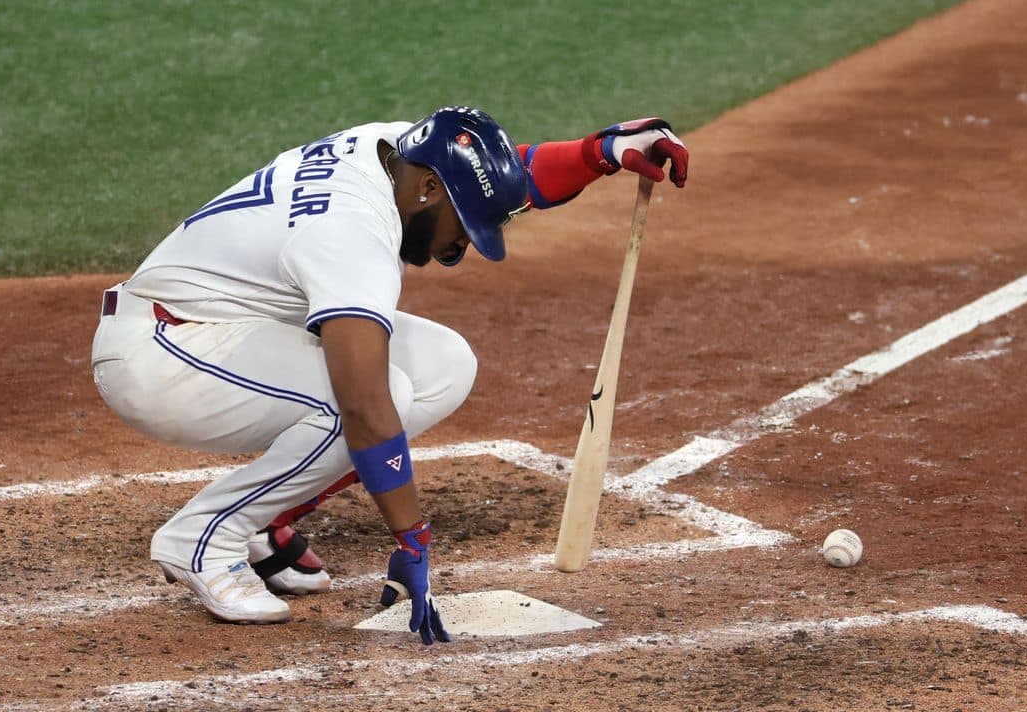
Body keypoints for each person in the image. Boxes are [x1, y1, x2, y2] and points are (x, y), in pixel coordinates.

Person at [90, 106, 689, 644]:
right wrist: (412, 537)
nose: (463, 246)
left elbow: (505, 178)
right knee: (374, 396)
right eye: (465, 227)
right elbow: (364, 407)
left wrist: (598, 154)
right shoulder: (352, 237)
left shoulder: (392, 151)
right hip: (163, 353)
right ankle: (202, 537)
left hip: (223, 330)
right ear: (429, 190)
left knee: (442, 366)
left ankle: (266, 517)